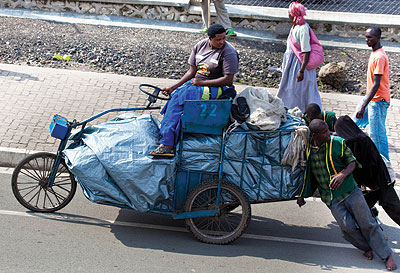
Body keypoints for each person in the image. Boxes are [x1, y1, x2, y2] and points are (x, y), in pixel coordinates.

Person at [297, 119, 397, 271]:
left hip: (351, 192)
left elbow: (353, 162)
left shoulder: (337, 143)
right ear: (315, 135)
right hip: (331, 198)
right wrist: (302, 195)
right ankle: (366, 247)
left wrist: (342, 175)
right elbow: (309, 174)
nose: (328, 134)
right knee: (347, 228)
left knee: (367, 223)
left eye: (327, 130)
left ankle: (387, 255)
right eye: (324, 132)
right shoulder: (309, 149)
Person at [150, 24, 239, 157]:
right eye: (218, 39)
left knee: (180, 98)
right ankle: (168, 137)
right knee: (176, 97)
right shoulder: (200, 46)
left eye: (224, 39)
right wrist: (173, 87)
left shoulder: (229, 52)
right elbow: (192, 71)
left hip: (218, 89)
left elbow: (228, 80)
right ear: (210, 38)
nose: (222, 42)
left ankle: (168, 144)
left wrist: (202, 82)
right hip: (196, 85)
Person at [335, 115, 400, 226]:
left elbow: (361, 167)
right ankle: (372, 229)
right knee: (362, 209)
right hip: (374, 182)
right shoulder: (359, 138)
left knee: (394, 209)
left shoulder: (357, 142)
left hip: (381, 181)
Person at [277, 1, 321, 113]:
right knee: (292, 89)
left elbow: (306, 51)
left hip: (299, 64)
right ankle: (290, 109)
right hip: (292, 63)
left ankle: (303, 111)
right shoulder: (295, 26)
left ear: (294, 15)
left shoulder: (302, 29)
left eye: (289, 13)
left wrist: (301, 71)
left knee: (300, 89)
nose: (288, 16)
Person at [353, 26, 390, 160]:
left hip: (378, 101)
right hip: (372, 99)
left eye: (370, 37)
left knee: (377, 136)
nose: (366, 40)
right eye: (366, 37)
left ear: (378, 38)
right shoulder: (375, 53)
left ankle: (384, 166)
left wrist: (364, 106)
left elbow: (376, 84)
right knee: (353, 123)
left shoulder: (379, 57)